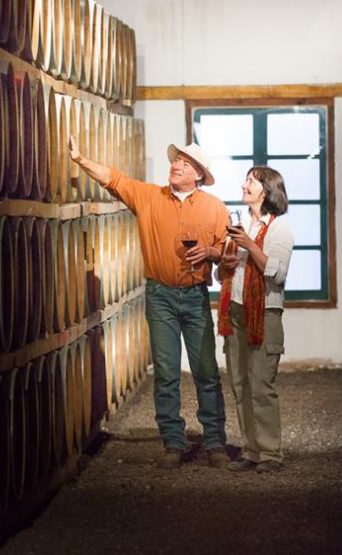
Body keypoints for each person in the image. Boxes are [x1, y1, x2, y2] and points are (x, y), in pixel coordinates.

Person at [68, 136, 230, 469]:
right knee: (167, 373)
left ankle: (215, 442)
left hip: (196, 296)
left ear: (198, 174)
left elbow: (229, 254)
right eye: (175, 160)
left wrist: (211, 252)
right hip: (160, 296)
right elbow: (114, 178)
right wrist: (81, 160)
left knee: (206, 372)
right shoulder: (150, 196)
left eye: (185, 163)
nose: (176, 165)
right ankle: (173, 443)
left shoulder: (214, 207)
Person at [216, 166, 294, 473]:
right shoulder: (241, 224)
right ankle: (250, 450)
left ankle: (271, 454)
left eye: (251, 181)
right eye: (246, 180)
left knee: (261, 385)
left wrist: (249, 246)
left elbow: (277, 274)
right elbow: (221, 274)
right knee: (240, 383)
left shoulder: (278, 229)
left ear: (267, 190)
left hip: (264, 313)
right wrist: (224, 263)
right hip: (235, 311)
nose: (244, 185)